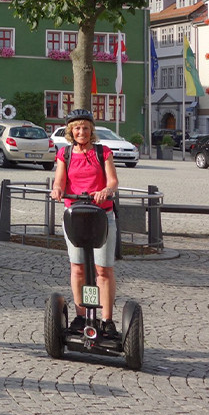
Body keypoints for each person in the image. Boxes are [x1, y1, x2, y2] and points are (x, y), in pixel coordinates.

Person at [49, 108, 120, 337]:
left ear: (91, 131)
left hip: (102, 215)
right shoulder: (65, 154)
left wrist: (106, 191)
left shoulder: (103, 152)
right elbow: (59, 181)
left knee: (103, 269)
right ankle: (81, 317)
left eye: (86, 128)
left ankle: (107, 320)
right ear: (71, 131)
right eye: (77, 128)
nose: (82, 132)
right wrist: (57, 190)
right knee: (78, 267)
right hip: (75, 214)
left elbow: (113, 181)